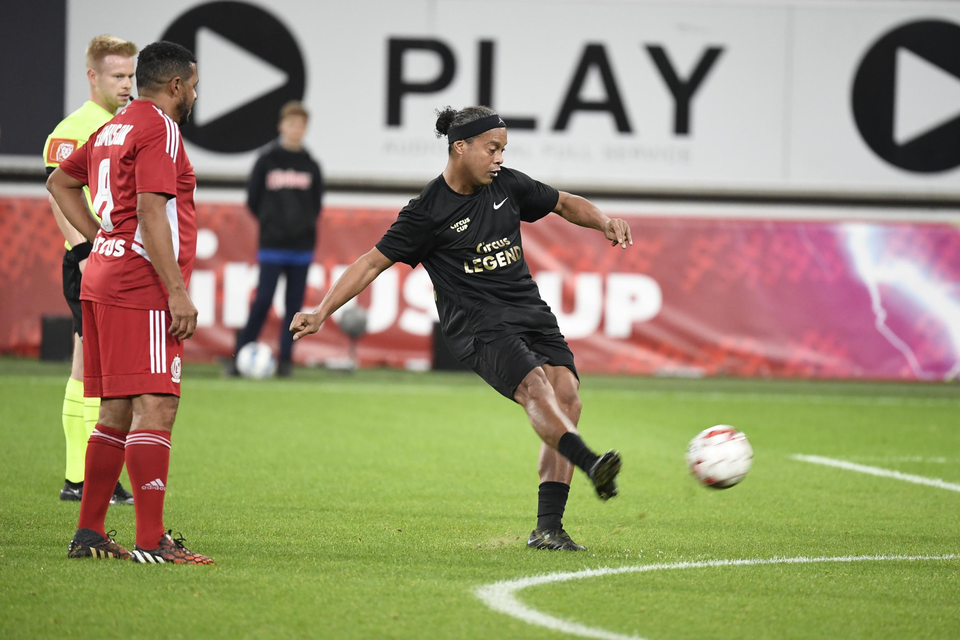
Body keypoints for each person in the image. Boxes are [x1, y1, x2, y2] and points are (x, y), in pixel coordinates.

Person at [290, 105, 632, 551]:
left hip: (528, 309)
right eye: (492, 149)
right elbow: (371, 262)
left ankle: (548, 530)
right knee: (536, 388)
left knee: (567, 394)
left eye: (503, 149)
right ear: (460, 147)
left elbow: (565, 203)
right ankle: (590, 463)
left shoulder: (508, 185)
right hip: (477, 324)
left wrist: (604, 221)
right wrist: (321, 311)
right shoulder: (427, 212)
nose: (499, 158)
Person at [47, 41, 212, 564]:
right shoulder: (160, 127)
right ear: (176, 85)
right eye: (194, 86)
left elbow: (60, 182)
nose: (195, 95)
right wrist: (176, 291)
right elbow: (149, 211)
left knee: (115, 410)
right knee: (157, 404)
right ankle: (151, 540)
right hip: (141, 285)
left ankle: (90, 533)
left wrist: (100, 240)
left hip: (102, 278)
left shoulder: (113, 125)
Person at [42, 35, 137, 506]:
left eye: (130, 75)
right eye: (117, 75)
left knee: (91, 366)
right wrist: (83, 249)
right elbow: (59, 192)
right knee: (93, 368)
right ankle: (84, 477)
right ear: (92, 76)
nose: (126, 84)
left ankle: (79, 478)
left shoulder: (120, 125)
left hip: (110, 258)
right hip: (89, 258)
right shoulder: (74, 128)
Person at [230, 101, 323, 377]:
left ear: (306, 128)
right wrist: (272, 224)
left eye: (301, 124)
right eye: (291, 123)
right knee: (263, 301)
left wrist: (301, 227)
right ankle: (240, 357)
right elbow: (253, 199)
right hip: (272, 245)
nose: (296, 129)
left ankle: (286, 361)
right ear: (281, 126)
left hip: (301, 247)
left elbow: (316, 204)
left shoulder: (311, 165)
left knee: (294, 307)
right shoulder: (266, 161)